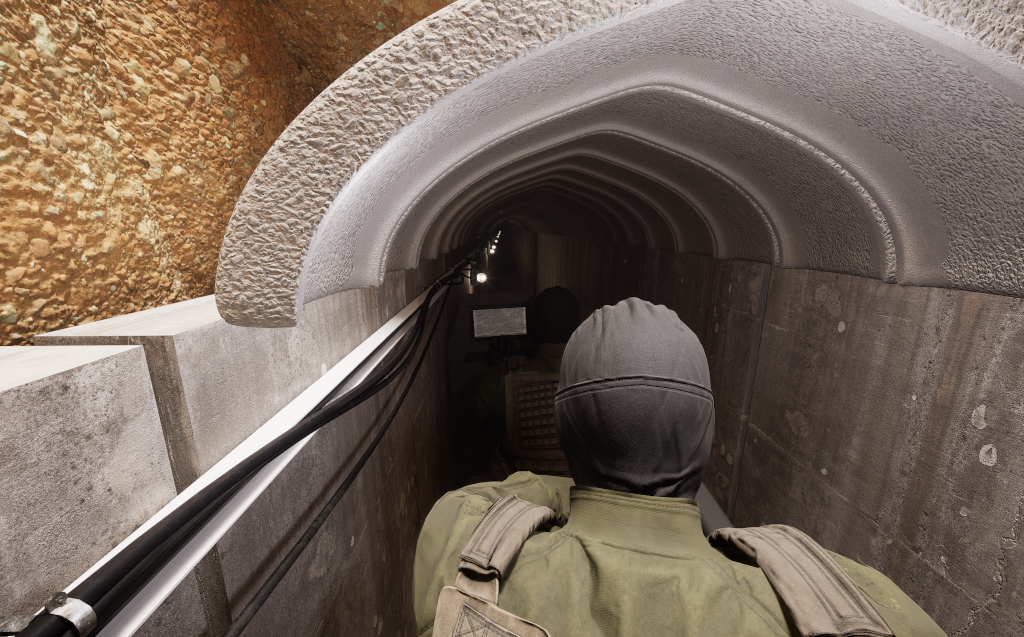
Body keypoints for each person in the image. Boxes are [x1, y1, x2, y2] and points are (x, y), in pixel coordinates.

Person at [415, 298, 946, 636]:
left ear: (568, 431)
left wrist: (582, 487)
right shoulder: (846, 601)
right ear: (705, 434)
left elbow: (467, 464)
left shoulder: (469, 554)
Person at [457, 286, 580, 477]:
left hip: (521, 491)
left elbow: (468, 426)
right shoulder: (597, 374)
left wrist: (496, 369)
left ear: (533, 329)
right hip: (580, 487)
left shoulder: (500, 378)